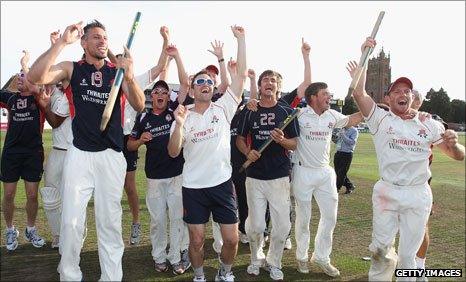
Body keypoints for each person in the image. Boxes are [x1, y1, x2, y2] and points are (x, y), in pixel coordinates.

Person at [28, 20, 145, 281]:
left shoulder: (117, 72)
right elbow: (36, 77)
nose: (102, 41)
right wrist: (60, 43)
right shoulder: (72, 69)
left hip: (111, 156)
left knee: (109, 223)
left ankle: (111, 277)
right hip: (79, 154)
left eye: (104, 37)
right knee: (71, 221)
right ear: (84, 42)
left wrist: (130, 74)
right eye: (95, 37)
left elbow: (139, 104)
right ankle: (70, 275)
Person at [351, 37, 465, 281]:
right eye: (397, 91)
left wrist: (454, 144)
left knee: (408, 257)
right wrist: (365, 56)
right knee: (381, 251)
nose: (403, 94)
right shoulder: (380, 118)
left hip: (417, 194)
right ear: (388, 98)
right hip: (387, 192)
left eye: (407, 91)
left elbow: (458, 156)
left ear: (413, 97)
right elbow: (358, 92)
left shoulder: (429, 124)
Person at [168, 25, 246, 282]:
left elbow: (241, 77)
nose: (205, 84)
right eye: (199, 81)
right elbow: (172, 152)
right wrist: (179, 125)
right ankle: (199, 276)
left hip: (222, 184)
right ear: (191, 90)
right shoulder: (182, 114)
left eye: (209, 82)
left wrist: (241, 40)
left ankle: (224, 273)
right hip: (193, 187)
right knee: (197, 240)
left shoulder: (224, 108)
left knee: (232, 240)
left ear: (214, 89)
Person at [235, 38, 310, 281]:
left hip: (279, 176)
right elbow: (239, 138)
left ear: (279, 87)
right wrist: (248, 153)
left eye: (274, 81)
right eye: (266, 80)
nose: (270, 83)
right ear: (260, 85)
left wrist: (281, 141)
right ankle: (256, 258)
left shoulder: (287, 113)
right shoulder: (250, 110)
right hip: (254, 176)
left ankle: (274, 261)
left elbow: (295, 144)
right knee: (255, 226)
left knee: (281, 227)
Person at [128, 44, 190, 275]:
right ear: (151, 96)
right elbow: (130, 145)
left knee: (176, 218)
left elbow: (185, 85)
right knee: (157, 221)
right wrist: (141, 140)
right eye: (157, 92)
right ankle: (159, 256)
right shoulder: (143, 117)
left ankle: (175, 257)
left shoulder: (173, 110)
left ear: (168, 97)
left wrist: (175, 55)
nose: (161, 95)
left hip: (176, 174)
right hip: (154, 177)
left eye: (165, 92)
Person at [292, 79, 363, 276]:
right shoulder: (299, 114)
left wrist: (373, 108)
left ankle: (322, 257)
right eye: (325, 94)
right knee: (304, 218)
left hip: (324, 172)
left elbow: (352, 120)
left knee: (330, 217)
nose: (329, 97)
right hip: (303, 171)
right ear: (313, 97)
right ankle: (302, 257)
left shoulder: (332, 114)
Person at [109, 26, 171, 245]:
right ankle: (111, 228)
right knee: (109, 188)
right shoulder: (107, 80)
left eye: (123, 63)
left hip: (127, 139)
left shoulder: (135, 79)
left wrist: (165, 39)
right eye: (116, 63)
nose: (119, 66)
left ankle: (136, 222)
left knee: (129, 186)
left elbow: (161, 66)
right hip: (107, 139)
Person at [1, 62, 46, 251]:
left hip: (33, 154)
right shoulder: (10, 99)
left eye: (23, 76)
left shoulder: (39, 99)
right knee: (9, 194)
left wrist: (25, 65)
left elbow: (41, 83)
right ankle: (10, 229)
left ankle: (30, 228)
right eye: (18, 76)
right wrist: (20, 74)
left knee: (32, 195)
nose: (19, 79)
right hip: (11, 153)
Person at [333, 125, 359, 194]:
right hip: (338, 152)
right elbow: (337, 141)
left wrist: (343, 135)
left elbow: (352, 142)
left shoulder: (354, 131)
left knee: (341, 173)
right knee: (339, 173)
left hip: (347, 154)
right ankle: (349, 185)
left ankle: (336, 189)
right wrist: (334, 138)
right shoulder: (341, 129)